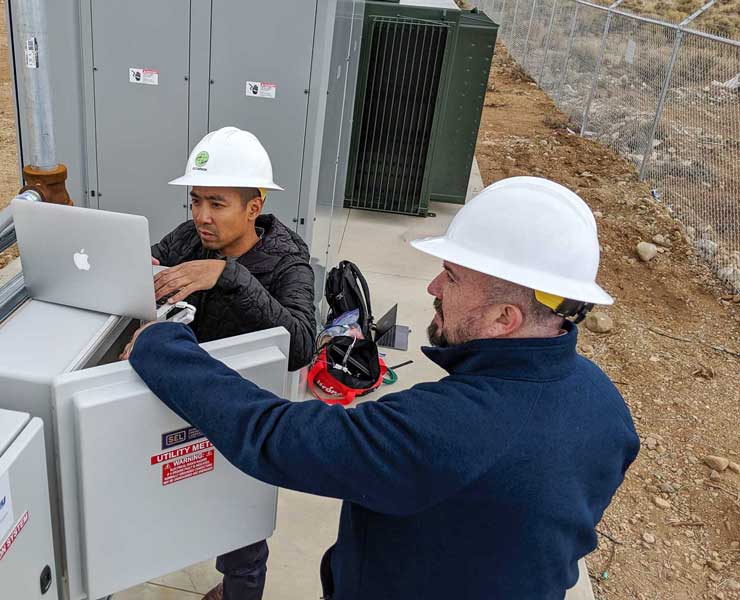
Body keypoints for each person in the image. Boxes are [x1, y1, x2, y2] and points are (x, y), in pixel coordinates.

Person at [125, 177, 640, 599]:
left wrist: (163, 345)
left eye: (451, 277)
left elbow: (273, 437)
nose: (432, 289)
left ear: (504, 318)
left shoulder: (445, 428)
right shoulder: (604, 405)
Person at [121, 126, 317, 600]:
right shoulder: (191, 237)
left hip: (241, 412)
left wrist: (229, 276)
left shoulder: (287, 263)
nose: (201, 217)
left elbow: (302, 345)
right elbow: (145, 267)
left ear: (255, 207)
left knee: (241, 527)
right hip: (182, 394)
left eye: (217, 203)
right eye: (195, 201)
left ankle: (238, 593)